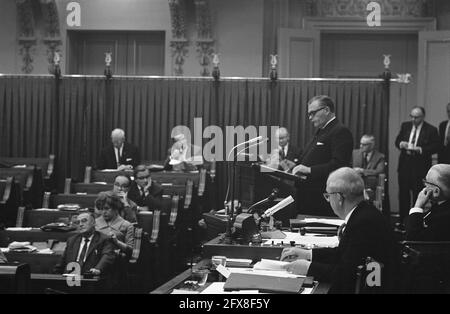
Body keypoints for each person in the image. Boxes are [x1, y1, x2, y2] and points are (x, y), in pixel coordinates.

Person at [280, 168, 399, 293]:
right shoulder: (363, 213)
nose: (328, 201)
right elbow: (343, 253)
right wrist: (308, 254)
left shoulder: (363, 223)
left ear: (339, 198)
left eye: (328, 196)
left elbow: (346, 274)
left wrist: (308, 267)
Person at [292, 95, 353, 216]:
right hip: (308, 197)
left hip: (321, 198)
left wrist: (309, 170)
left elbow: (339, 165)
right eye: (309, 114)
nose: (310, 118)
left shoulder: (340, 131)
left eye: (313, 113)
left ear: (326, 110)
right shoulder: (322, 131)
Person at [395, 107, 440, 226]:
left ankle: (414, 222)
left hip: (420, 167)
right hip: (405, 166)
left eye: (417, 117)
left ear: (423, 117)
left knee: (417, 194)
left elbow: (436, 146)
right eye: (412, 116)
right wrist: (401, 144)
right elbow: (397, 140)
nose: (414, 119)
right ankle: (403, 221)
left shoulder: (431, 129)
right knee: (403, 195)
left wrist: (420, 149)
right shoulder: (405, 126)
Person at [54, 212, 115, 276]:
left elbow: (107, 256)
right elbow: (61, 263)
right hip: (70, 278)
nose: (80, 224)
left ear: (93, 223)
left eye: (84, 221)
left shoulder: (103, 239)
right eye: (77, 222)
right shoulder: (72, 240)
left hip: (91, 278)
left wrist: (97, 269)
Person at [406, 164, 450, 241]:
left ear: (436, 191)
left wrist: (418, 206)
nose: (424, 187)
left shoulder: (443, 217)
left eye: (426, 183)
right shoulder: (440, 206)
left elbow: (413, 239)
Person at [95, 191, 134, 257]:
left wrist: (117, 242)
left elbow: (131, 251)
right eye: (101, 209)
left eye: (107, 208)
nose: (103, 212)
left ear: (115, 207)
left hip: (117, 260)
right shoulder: (95, 223)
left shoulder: (127, 225)